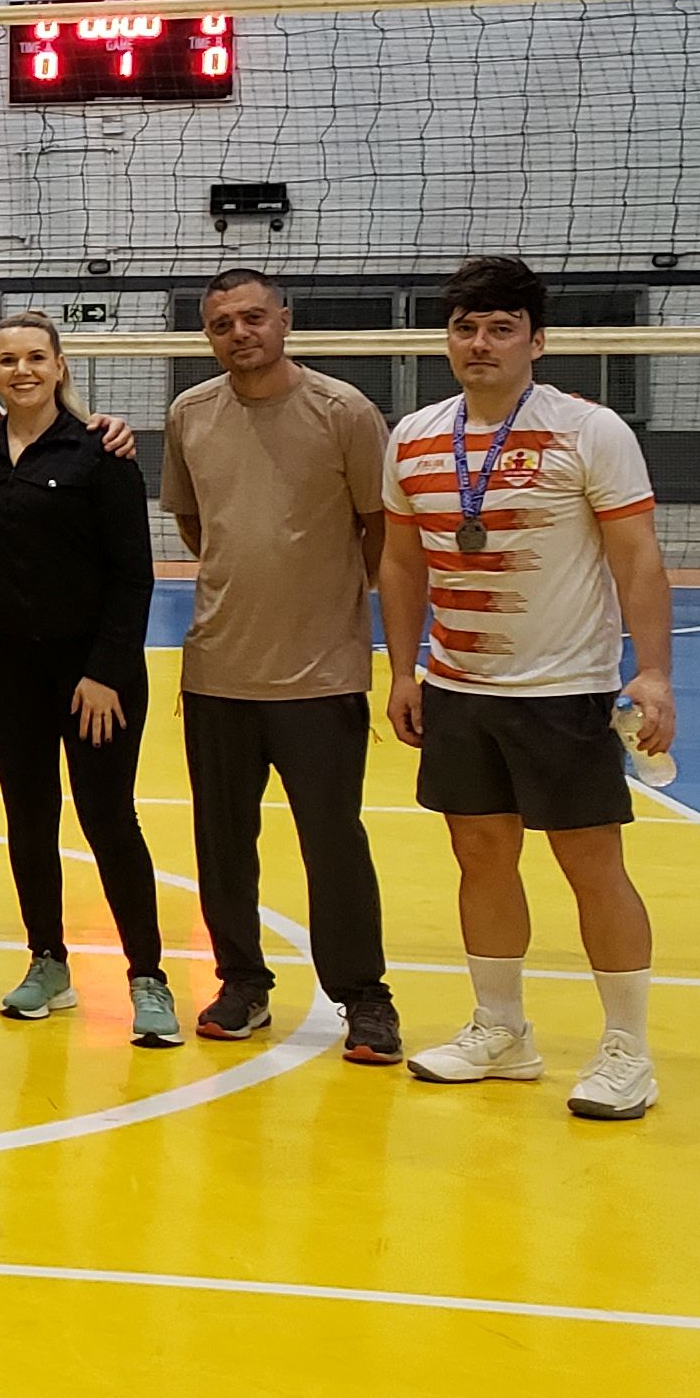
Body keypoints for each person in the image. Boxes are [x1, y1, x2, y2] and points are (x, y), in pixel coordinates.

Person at [381, 255, 673, 1121]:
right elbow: (401, 562)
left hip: (564, 689)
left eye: (501, 328)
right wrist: (402, 669)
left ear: (536, 341)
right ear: (448, 340)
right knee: (480, 855)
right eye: (466, 328)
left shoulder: (590, 430)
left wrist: (654, 672)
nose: (481, 343)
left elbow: (636, 557)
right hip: (458, 685)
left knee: (591, 864)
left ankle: (628, 1050)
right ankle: (502, 1030)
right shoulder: (414, 436)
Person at [165, 267, 399, 1059]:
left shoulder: (345, 412)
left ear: (285, 320)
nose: (240, 333)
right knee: (222, 843)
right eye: (222, 323)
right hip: (217, 673)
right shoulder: (190, 414)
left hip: (321, 675)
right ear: (209, 335)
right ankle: (242, 983)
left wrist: (329, 597)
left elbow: (379, 528)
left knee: (333, 844)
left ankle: (364, 997)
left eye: (253, 317)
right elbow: (196, 525)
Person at [0, 315, 176, 1046]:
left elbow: (134, 575)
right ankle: (47, 961)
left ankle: (148, 977)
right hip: (7, 666)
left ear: (59, 367)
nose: (22, 370)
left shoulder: (101, 451)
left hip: (93, 674)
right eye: (7, 359)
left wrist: (106, 671)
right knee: (29, 815)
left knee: (108, 818)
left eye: (35, 358)